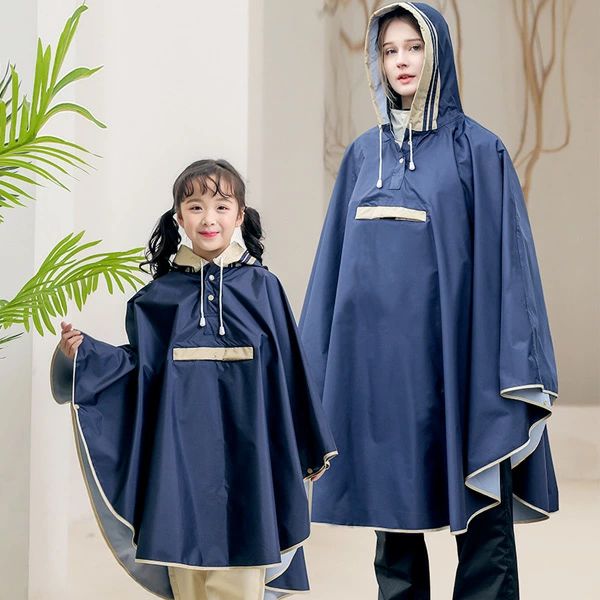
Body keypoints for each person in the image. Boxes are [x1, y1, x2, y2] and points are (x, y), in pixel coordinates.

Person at [299, 3, 557, 599]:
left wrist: (512, 361)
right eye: (389, 51)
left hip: (460, 364)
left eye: (413, 47)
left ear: (436, 50)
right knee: (393, 525)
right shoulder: (363, 156)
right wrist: (312, 370)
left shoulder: (480, 151)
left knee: (483, 512)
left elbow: (508, 265)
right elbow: (334, 267)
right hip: (383, 374)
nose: (402, 61)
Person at [51, 159, 337, 600]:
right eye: (196, 206)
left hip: (251, 463)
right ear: (179, 218)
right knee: (187, 577)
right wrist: (85, 354)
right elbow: (139, 374)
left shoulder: (264, 289)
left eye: (222, 207)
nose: (209, 218)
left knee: (244, 567)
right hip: (178, 464)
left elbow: (291, 371)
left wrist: (309, 444)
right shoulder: (156, 299)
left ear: (239, 216)